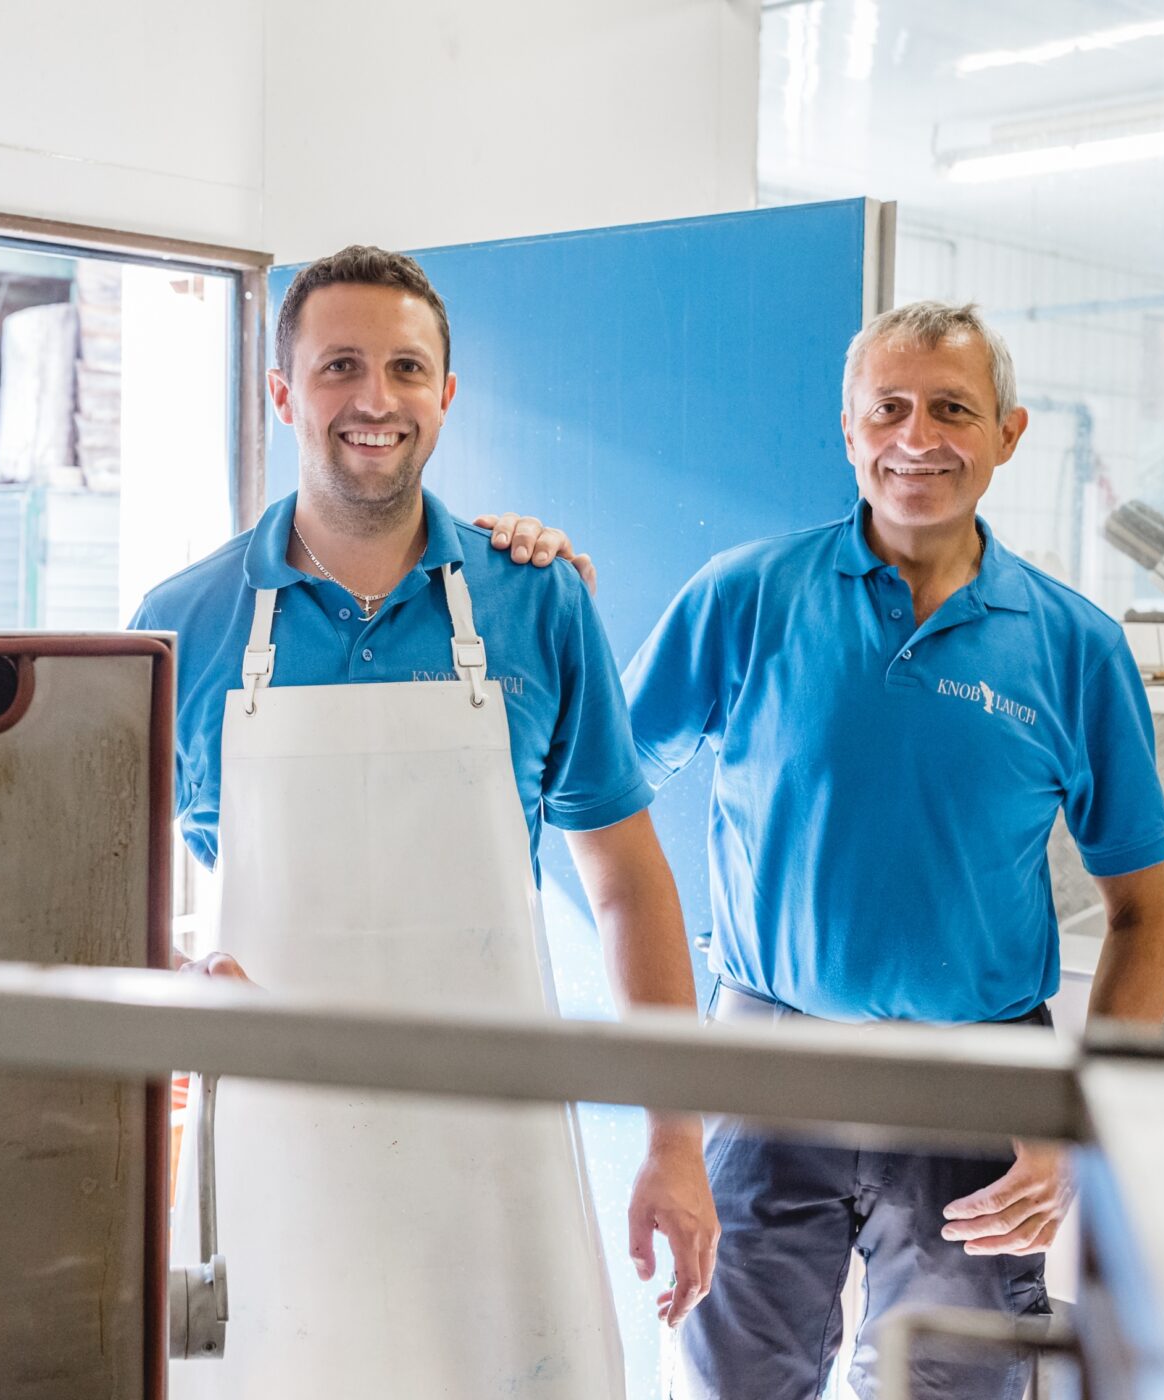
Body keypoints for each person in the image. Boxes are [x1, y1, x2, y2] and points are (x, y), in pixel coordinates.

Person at [131, 245, 717, 1398]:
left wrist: (675, 1139)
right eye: (340, 365)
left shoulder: (536, 597)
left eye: (407, 367)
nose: (375, 398)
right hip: (272, 1137)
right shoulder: (183, 622)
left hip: (487, 1139)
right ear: (284, 392)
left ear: (446, 394)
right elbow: (113, 883)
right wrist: (179, 964)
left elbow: (628, 884)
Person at [617, 300, 1164, 1400]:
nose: (915, 436)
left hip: (977, 1083)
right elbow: (598, 782)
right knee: (732, 1379)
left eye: (952, 409)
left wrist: (1078, 1119)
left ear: (1009, 433)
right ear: (848, 430)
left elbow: (1148, 912)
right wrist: (527, 579)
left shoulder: (1075, 646)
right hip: (768, 1067)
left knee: (953, 1386)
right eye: (888, 408)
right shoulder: (746, 596)